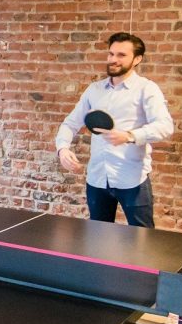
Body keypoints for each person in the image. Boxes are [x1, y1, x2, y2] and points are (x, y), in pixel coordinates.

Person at [55, 32, 174, 228]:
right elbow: (70, 123)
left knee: (143, 241)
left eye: (121, 55)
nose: (113, 59)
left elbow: (164, 125)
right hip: (97, 179)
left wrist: (130, 136)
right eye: (111, 54)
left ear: (137, 59)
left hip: (132, 180)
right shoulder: (94, 90)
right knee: (98, 240)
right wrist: (63, 149)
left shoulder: (147, 89)